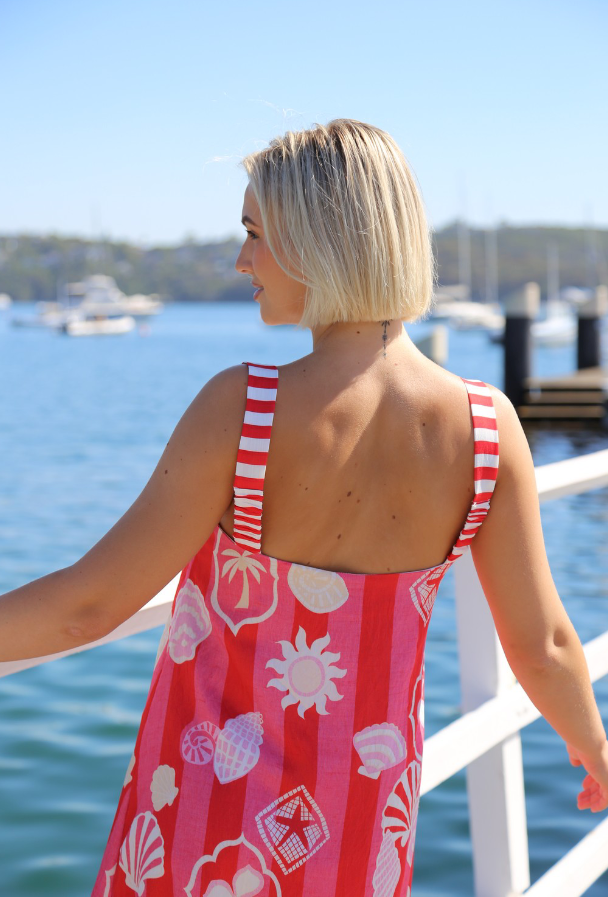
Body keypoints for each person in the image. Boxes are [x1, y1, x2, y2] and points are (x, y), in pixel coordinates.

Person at [1, 118, 607, 897]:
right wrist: (592, 744)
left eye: (255, 233)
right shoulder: (488, 431)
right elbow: (543, 644)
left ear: (319, 240)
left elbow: (90, 606)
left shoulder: (244, 411)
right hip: (358, 847)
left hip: (201, 836)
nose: (241, 260)